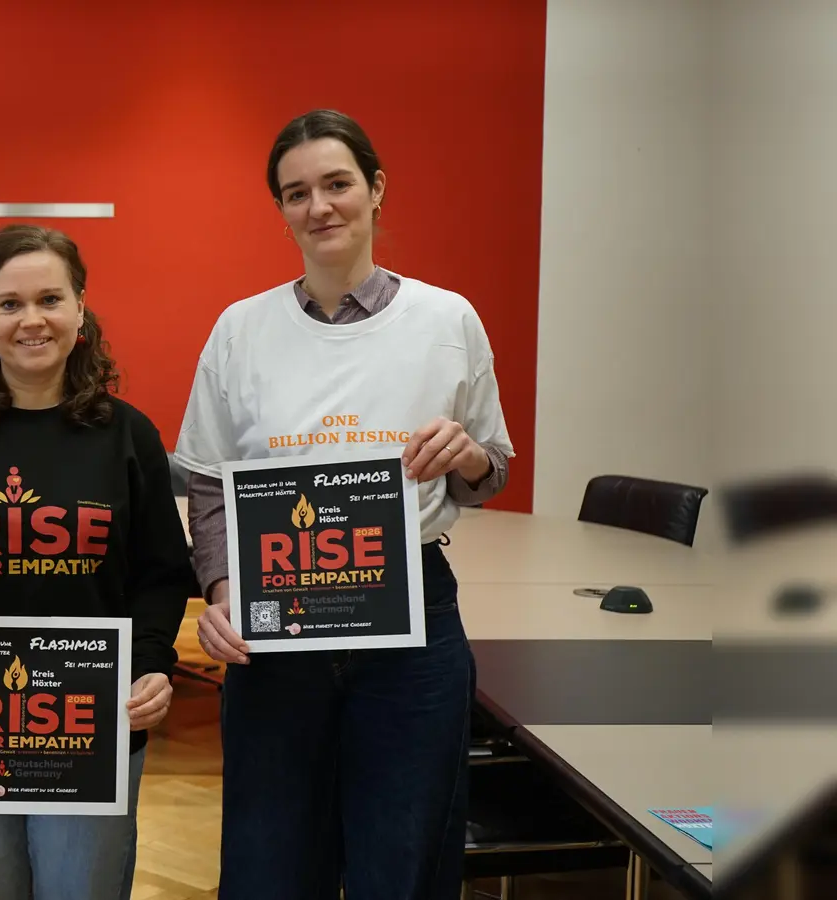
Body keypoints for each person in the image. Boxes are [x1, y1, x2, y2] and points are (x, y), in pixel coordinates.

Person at [174, 109, 515, 899]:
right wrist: (224, 591)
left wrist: (464, 457)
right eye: (297, 193)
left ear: (376, 189)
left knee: (400, 854)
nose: (319, 207)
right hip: (275, 624)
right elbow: (209, 484)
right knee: (270, 857)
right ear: (282, 210)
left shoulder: (447, 320)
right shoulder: (240, 330)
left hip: (411, 627)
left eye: (336, 184)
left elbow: (489, 469)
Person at [0, 224, 195, 900]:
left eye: (50, 298)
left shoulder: (127, 434)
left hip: (96, 722)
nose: (32, 319)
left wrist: (150, 666)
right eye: (9, 303)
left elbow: (162, 573)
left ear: (80, 309)